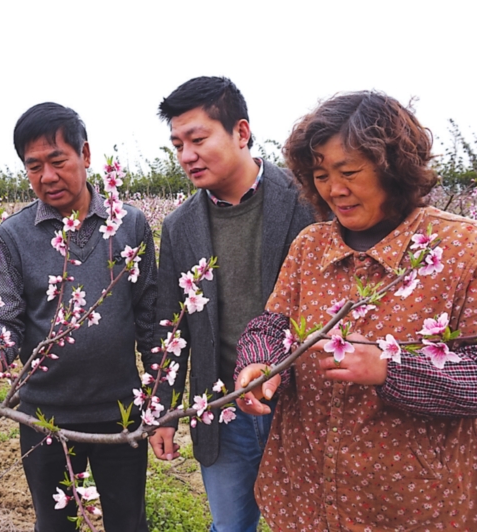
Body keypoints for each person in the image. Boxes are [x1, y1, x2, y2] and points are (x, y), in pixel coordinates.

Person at [235, 91, 477, 530]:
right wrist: (262, 361)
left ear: (393, 167)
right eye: (320, 175)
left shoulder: (465, 248)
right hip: (306, 499)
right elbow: (274, 323)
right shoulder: (311, 246)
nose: (334, 189)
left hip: (416, 508)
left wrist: (392, 368)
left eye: (349, 172)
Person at [0, 102, 155, 532]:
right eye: (34, 166)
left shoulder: (129, 225)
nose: (47, 177)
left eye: (57, 160)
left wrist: (159, 400)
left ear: (86, 155)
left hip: (121, 408)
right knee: (55, 524)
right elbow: (5, 318)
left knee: (128, 523)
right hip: (45, 415)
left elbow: (150, 318)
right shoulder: (12, 235)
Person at [147, 76, 316, 532]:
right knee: (230, 526)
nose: (186, 156)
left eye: (198, 139)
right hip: (222, 409)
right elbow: (171, 325)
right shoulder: (182, 226)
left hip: (301, 406)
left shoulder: (306, 202)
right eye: (178, 144)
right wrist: (161, 407)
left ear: (241, 132)